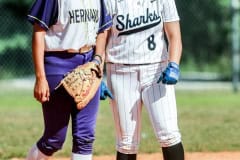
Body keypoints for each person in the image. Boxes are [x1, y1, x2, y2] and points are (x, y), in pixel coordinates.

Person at [25, 0, 112, 159]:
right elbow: (38, 32)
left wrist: (98, 61)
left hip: (89, 63)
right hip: (57, 63)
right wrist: (40, 77)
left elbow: (103, 30)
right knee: (54, 139)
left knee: (85, 137)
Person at [101, 0, 185, 160]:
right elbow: (101, 39)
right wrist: (97, 75)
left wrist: (173, 64)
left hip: (156, 72)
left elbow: (175, 36)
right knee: (126, 142)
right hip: (120, 72)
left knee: (169, 134)